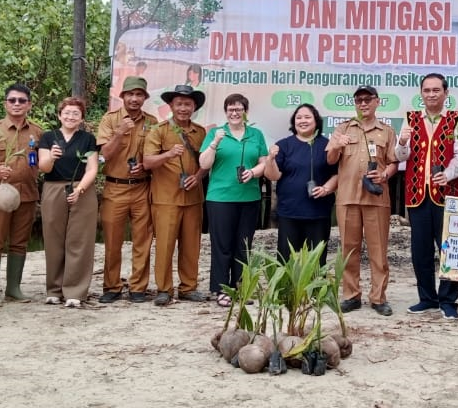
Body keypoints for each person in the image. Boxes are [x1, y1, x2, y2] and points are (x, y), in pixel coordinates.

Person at [396, 73, 458, 319]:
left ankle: (448, 300)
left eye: (436, 90)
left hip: (447, 194)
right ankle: (427, 298)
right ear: (421, 93)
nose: (431, 94)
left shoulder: (457, 119)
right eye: (427, 90)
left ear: (446, 93)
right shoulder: (410, 119)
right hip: (417, 194)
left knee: (449, 249)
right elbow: (401, 156)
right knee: (420, 250)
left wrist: (448, 174)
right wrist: (402, 142)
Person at [327, 85, 400, 316]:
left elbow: (393, 162)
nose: (363, 103)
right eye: (358, 100)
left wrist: (385, 174)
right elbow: (330, 160)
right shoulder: (342, 128)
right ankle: (351, 295)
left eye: (368, 99)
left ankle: (378, 297)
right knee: (349, 250)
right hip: (347, 198)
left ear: (378, 102)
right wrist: (336, 146)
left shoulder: (387, 131)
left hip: (376, 199)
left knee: (379, 251)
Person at [0, 83, 44, 307]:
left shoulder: (37, 131)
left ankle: (14, 288)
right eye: (12, 100)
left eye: (21, 101)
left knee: (20, 243)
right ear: (5, 103)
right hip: (0, 195)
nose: (16, 104)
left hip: (27, 194)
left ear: (29, 105)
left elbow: (42, 160)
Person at [143, 84, 210, 306]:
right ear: (171, 105)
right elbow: (147, 162)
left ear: (194, 107)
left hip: (193, 198)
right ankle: (164, 289)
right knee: (164, 245)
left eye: (188, 104)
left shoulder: (200, 132)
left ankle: (188, 287)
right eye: (179, 103)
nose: (183, 108)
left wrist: (199, 176)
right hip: (165, 198)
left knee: (192, 246)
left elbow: (207, 162)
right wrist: (169, 154)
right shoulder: (159, 130)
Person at [199, 93, 268, 306]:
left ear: (245, 112)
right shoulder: (215, 134)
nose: (235, 113)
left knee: (244, 245)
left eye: (239, 109)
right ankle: (221, 289)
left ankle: (241, 287)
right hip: (220, 198)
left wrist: (254, 173)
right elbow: (204, 164)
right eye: (230, 109)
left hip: (249, 197)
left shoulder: (256, 134)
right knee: (222, 245)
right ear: (226, 112)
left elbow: (264, 162)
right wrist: (215, 143)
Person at [96, 76, 157, 303]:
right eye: (130, 94)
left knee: (143, 240)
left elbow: (155, 152)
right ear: (122, 97)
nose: (134, 99)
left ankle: (138, 287)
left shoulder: (151, 122)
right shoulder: (110, 120)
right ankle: (112, 286)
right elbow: (103, 155)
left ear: (144, 98)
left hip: (142, 187)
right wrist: (120, 132)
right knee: (113, 240)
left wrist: (145, 165)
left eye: (139, 94)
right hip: (115, 187)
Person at [37, 97, 100, 308]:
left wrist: (80, 189)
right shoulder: (48, 137)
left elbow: (92, 168)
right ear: (59, 115)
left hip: (82, 189)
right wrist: (52, 157)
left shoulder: (88, 139)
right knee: (53, 239)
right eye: (67, 112)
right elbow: (43, 168)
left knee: (80, 240)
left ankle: (75, 291)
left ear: (82, 118)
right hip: (53, 188)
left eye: (76, 113)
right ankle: (54, 289)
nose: (70, 116)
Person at [264, 104, 338, 265]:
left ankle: (316, 290)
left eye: (307, 117)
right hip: (290, 212)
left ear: (316, 121)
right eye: (299, 117)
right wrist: (270, 159)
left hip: (318, 212)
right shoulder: (284, 145)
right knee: (286, 259)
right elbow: (273, 175)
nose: (302, 121)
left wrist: (326, 189)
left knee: (317, 261)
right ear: (293, 122)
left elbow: (337, 174)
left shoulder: (327, 145)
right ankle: (286, 290)